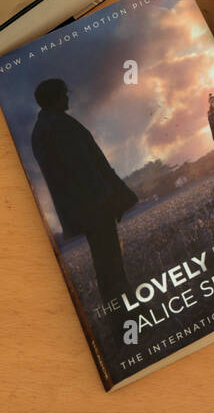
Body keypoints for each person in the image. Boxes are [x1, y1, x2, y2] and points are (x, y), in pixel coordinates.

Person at [30, 78, 136, 304]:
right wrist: (111, 199)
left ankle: (121, 307)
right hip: (95, 206)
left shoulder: (41, 129)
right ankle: (124, 309)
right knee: (110, 263)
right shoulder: (59, 125)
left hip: (82, 209)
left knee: (105, 262)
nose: (67, 97)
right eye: (64, 93)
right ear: (55, 97)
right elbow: (85, 169)